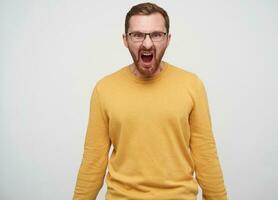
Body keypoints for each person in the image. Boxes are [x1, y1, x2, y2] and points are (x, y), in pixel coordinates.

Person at [73, 2, 228, 200]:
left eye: (156, 34)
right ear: (125, 40)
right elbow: (93, 161)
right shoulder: (104, 89)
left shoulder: (192, 85)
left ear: (168, 39)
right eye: (137, 35)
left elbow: (206, 155)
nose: (147, 44)